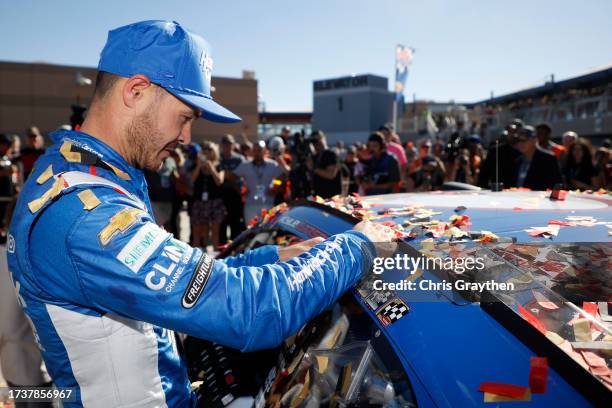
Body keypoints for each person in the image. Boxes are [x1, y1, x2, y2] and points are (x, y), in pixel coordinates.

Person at [7, 20, 395, 408]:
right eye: (186, 116)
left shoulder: (81, 173)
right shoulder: (84, 215)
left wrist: (270, 257)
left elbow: (181, 275)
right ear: (137, 91)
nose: (187, 138)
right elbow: (252, 313)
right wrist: (356, 246)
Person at [234, 140, 289, 223]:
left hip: (268, 203)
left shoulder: (272, 164)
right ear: (252, 152)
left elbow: (281, 179)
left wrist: (275, 188)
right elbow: (232, 177)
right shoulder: (245, 165)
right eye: (255, 151)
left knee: (266, 230)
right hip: (250, 204)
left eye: (259, 150)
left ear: (264, 151)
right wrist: (240, 189)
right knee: (250, 230)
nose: (257, 153)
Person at [191, 142, 226, 249]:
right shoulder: (197, 164)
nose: (207, 151)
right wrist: (198, 166)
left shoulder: (219, 165)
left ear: (214, 151)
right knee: (199, 231)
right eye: (205, 149)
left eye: (210, 149)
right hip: (199, 201)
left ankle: (216, 255)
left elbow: (219, 181)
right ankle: (199, 255)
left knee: (215, 231)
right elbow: (192, 179)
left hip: (215, 201)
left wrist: (211, 168)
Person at [513, 125, 562, 190]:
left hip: (541, 199)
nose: (520, 143)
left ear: (534, 140)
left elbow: (556, 185)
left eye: (524, 140)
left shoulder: (548, 159)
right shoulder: (518, 160)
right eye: (518, 140)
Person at [218, 134, 245, 243]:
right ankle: (222, 244)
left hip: (235, 193)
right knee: (221, 221)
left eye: (229, 144)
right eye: (225, 144)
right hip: (220, 194)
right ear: (221, 145)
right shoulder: (217, 157)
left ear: (233, 145)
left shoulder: (239, 159)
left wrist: (228, 175)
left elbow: (242, 175)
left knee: (235, 221)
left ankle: (234, 244)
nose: (227, 146)